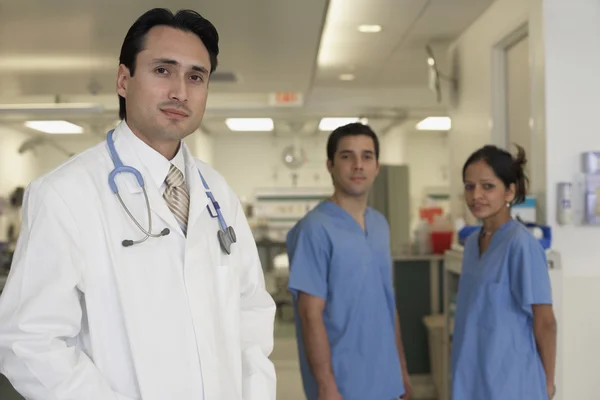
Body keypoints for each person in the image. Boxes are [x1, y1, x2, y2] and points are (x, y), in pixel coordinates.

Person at [0, 8, 276, 400]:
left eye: (196, 76)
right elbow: (28, 341)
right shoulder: (66, 193)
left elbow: (250, 312)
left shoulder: (216, 192)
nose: (181, 90)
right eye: (163, 70)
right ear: (123, 79)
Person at [286, 123, 411, 400]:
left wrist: (401, 368)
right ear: (330, 165)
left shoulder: (379, 225)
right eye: (347, 156)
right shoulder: (315, 229)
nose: (358, 165)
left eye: (367, 156)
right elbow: (310, 314)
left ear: (377, 166)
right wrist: (325, 385)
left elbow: (388, 304)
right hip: (343, 383)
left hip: (387, 378)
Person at [451, 145, 557, 400]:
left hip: (512, 381)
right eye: (469, 186)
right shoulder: (472, 244)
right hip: (471, 377)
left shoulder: (521, 245)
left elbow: (545, 322)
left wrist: (548, 383)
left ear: (509, 191)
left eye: (488, 186)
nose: (476, 195)